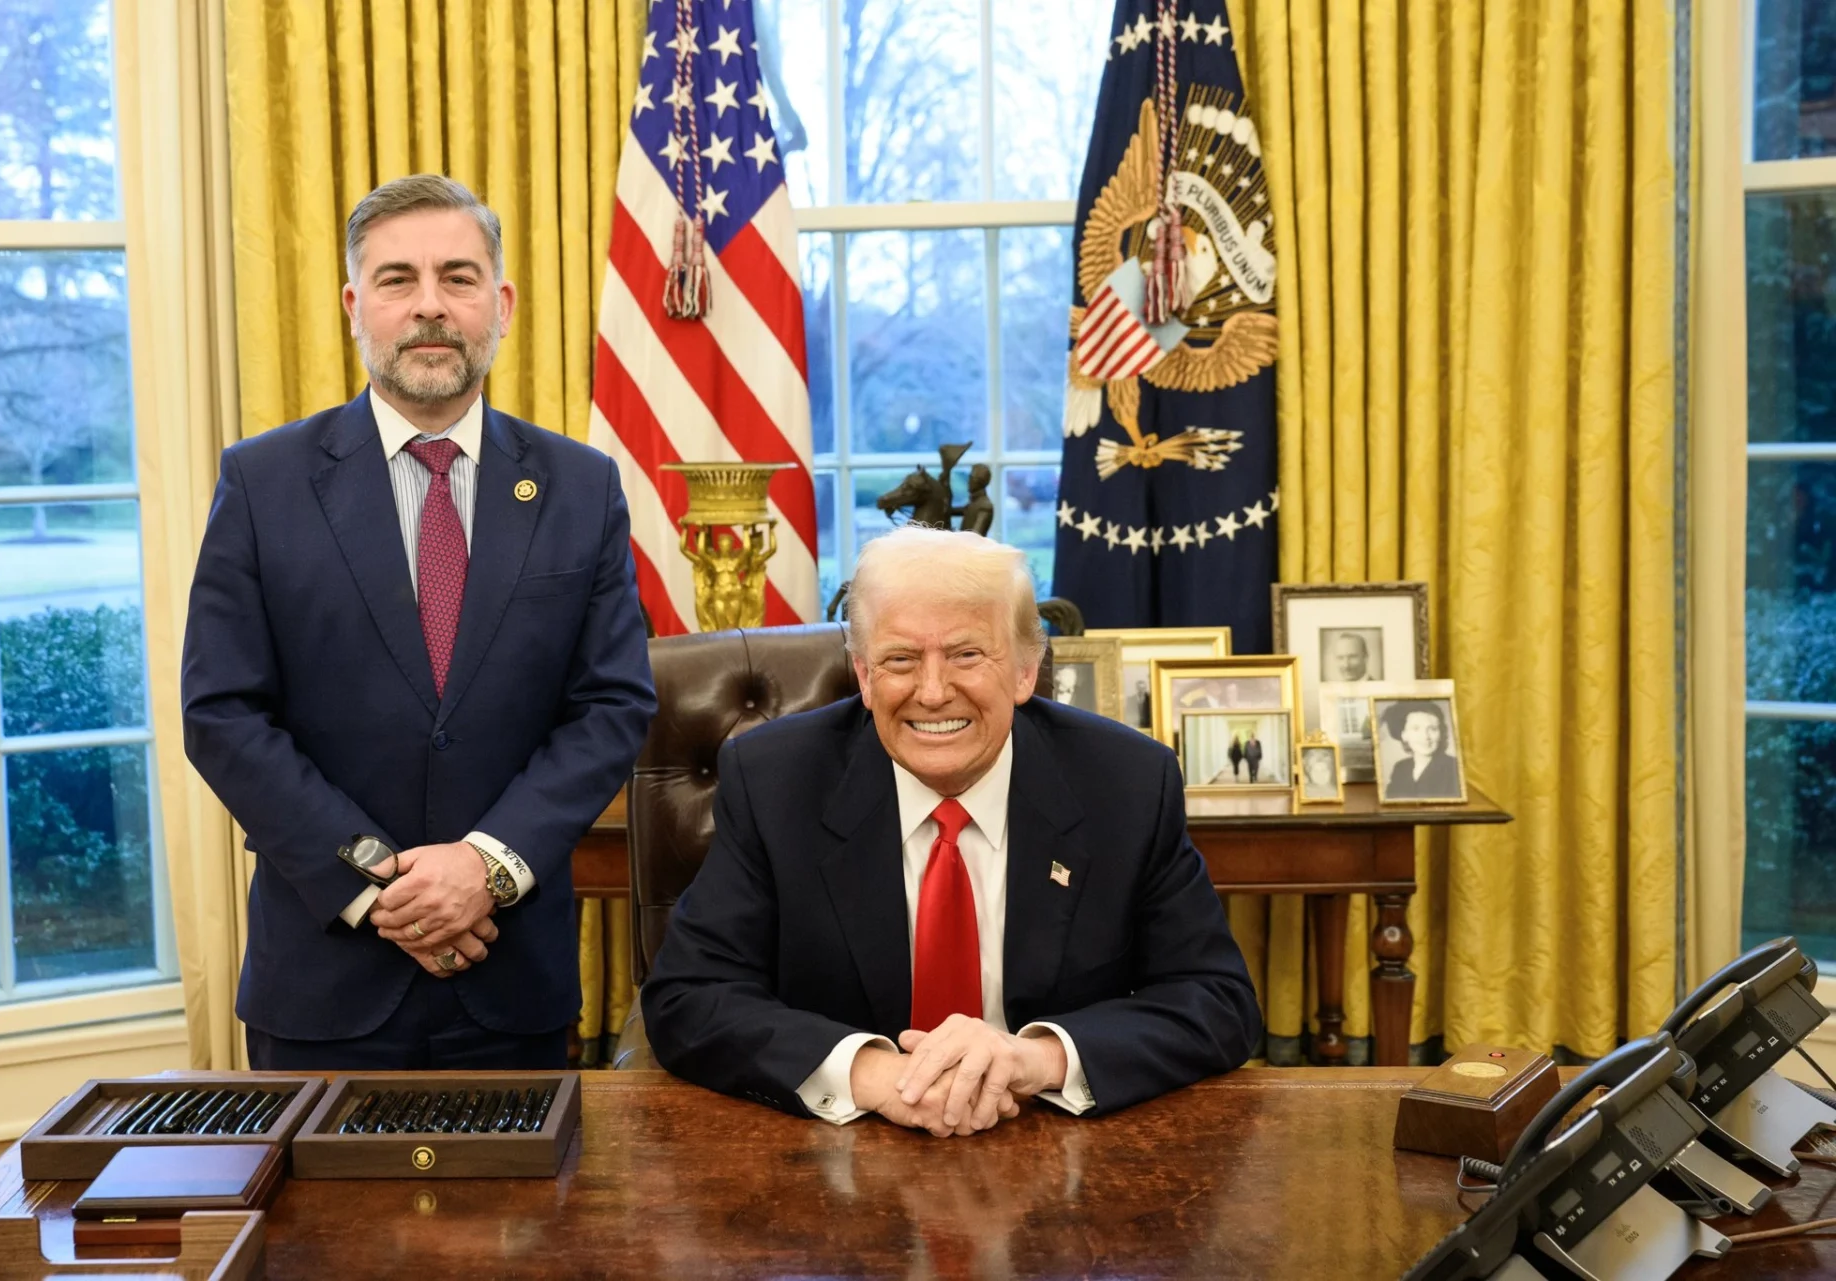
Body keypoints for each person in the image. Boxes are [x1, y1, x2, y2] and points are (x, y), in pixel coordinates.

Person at [182, 175, 655, 1069]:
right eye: (397, 279)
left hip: (509, 976)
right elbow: (222, 713)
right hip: (324, 980)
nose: (430, 306)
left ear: (501, 306)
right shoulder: (262, 482)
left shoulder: (581, 487)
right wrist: (379, 885)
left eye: (458, 278)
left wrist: (485, 866)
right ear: (355, 307)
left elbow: (611, 706)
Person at [642, 526, 1259, 1135]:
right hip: (837, 1150)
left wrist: (1035, 1058)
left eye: (966, 655)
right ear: (864, 675)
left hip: (1052, 1142)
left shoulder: (1126, 784)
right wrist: (876, 1075)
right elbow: (689, 996)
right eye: (900, 660)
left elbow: (1217, 1000)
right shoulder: (776, 782)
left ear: (1025, 670)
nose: (933, 693)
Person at [1380, 700, 1462, 800]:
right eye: (1416, 729)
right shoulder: (1400, 768)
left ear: (1441, 733)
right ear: (1404, 735)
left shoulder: (1454, 767)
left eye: (1432, 729)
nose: (1425, 736)